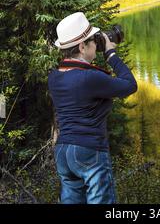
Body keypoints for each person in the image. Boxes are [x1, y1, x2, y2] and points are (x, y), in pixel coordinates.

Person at [48, 12, 138, 204]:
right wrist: (111, 54)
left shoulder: (54, 77)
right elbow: (130, 85)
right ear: (82, 46)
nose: (96, 45)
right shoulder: (89, 78)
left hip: (63, 152)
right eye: (93, 42)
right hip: (89, 151)